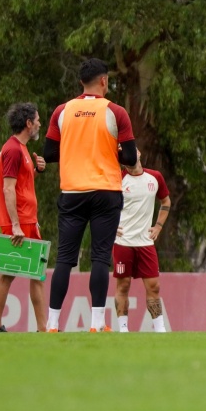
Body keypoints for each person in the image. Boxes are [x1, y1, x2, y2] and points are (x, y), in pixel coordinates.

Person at [44, 58, 137, 333]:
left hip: (72, 191)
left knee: (64, 258)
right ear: (104, 81)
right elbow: (131, 158)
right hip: (106, 192)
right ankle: (96, 323)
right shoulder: (116, 112)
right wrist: (112, 152)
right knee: (100, 257)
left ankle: (52, 323)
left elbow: (49, 153)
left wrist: (74, 150)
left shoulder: (62, 111)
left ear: (81, 82)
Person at [0, 103, 48, 332]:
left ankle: (43, 328)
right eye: (38, 120)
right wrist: (15, 225)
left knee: (37, 274)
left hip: (28, 219)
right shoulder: (13, 149)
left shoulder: (21, 149)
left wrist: (37, 170)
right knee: (8, 273)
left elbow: (22, 183)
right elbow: (8, 188)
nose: (40, 124)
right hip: (19, 222)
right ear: (28, 123)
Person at [112, 150, 170, 333]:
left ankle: (160, 330)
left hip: (145, 243)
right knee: (123, 285)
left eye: (130, 151)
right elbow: (103, 206)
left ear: (138, 153)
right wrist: (110, 226)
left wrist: (158, 226)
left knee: (154, 286)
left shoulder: (155, 177)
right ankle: (123, 330)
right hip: (123, 242)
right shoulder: (117, 179)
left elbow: (166, 202)